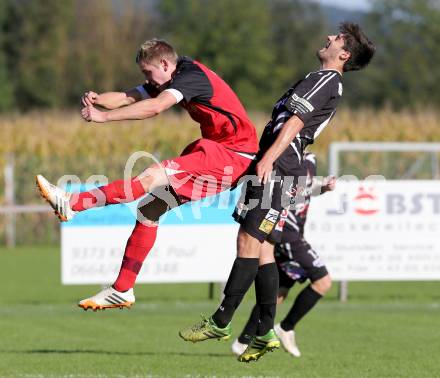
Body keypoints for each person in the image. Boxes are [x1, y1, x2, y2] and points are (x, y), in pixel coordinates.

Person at [179, 22, 375, 363]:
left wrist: (267, 159)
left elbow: (295, 124)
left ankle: (222, 320)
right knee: (265, 250)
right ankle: (266, 331)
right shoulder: (321, 79)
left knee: (248, 242)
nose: (328, 37)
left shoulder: (326, 79)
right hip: (279, 165)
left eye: (337, 38)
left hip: (280, 166)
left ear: (344, 54)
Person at [36, 39, 259, 311]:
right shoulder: (169, 76)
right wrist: (97, 100)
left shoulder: (190, 77)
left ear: (165, 64)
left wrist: (104, 118)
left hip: (233, 155)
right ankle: (122, 289)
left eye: (148, 72)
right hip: (223, 154)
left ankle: (72, 204)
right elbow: (126, 97)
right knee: (150, 210)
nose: (147, 79)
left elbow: (155, 107)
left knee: (152, 175)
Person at [231, 152, 335, 358]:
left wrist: (323, 187)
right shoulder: (280, 153)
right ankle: (286, 327)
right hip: (287, 233)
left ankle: (243, 340)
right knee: (323, 281)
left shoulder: (310, 157)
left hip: (294, 232)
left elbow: (305, 189)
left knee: (278, 292)